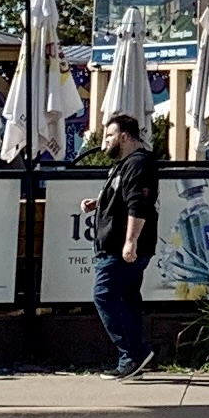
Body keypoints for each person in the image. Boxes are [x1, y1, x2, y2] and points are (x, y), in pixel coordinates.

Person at [87, 113, 161, 377]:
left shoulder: (138, 164)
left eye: (110, 136)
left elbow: (138, 204)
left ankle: (133, 354)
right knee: (128, 299)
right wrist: (98, 203)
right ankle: (137, 358)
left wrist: (130, 242)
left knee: (104, 294)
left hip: (120, 248)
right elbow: (124, 196)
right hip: (118, 246)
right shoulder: (125, 164)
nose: (105, 141)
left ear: (125, 137)